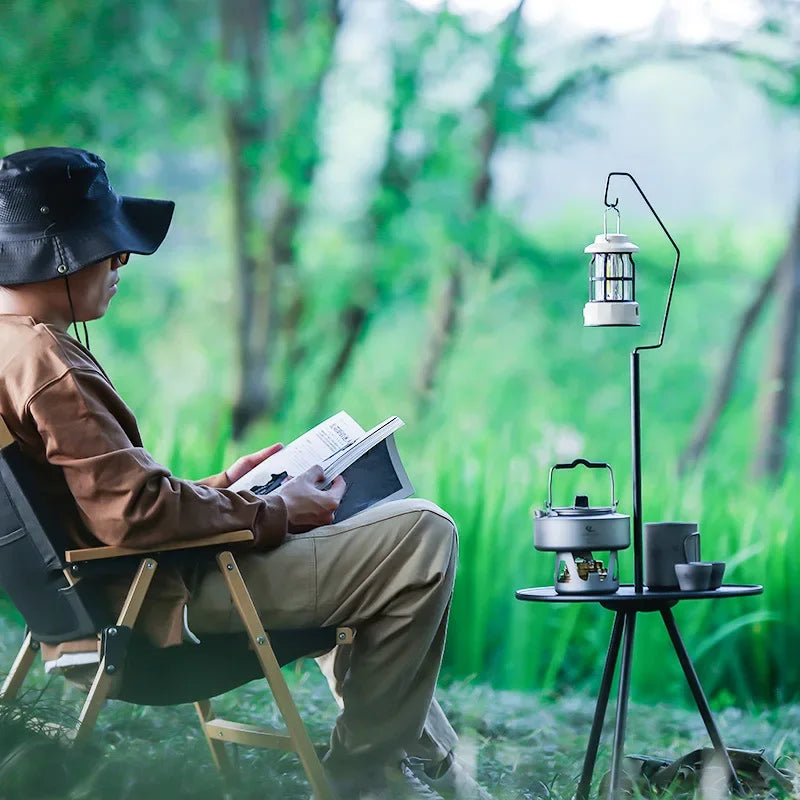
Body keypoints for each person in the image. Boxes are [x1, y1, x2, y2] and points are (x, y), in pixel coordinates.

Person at [0, 147, 492, 800]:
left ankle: (440, 773)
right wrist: (275, 511)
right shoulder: (46, 360)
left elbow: (103, 503)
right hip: (154, 609)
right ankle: (367, 781)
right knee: (421, 534)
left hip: (94, 605)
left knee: (373, 553)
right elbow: (133, 514)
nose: (122, 260)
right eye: (108, 246)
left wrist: (223, 489)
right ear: (60, 254)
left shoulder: (12, 348)